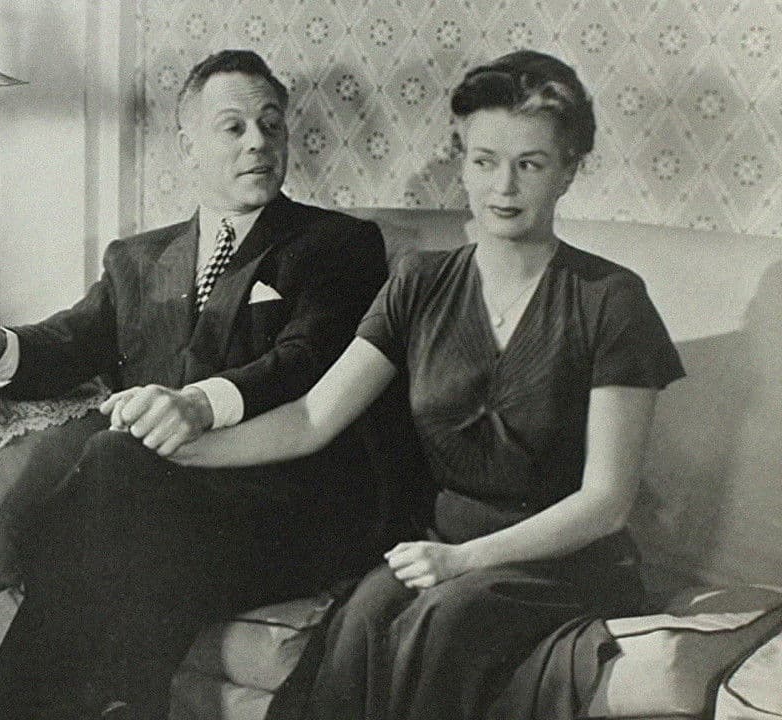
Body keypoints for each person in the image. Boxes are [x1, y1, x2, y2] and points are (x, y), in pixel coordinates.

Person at [0, 49, 424, 720]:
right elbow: (69, 341)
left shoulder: (338, 244)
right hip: (160, 514)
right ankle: (124, 700)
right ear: (188, 144)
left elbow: (304, 359)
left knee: (112, 476)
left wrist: (199, 405)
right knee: (132, 530)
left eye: (271, 125)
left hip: (288, 509)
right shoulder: (138, 259)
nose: (258, 142)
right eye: (233, 127)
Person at [168, 50, 685, 720]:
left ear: (568, 171)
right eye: (484, 161)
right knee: (360, 621)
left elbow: (606, 502)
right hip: (437, 548)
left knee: (443, 622)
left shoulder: (611, 298)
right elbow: (311, 417)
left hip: (563, 560)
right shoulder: (420, 282)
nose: (504, 186)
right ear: (462, 162)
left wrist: (466, 559)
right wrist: (186, 448)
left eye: (530, 165)